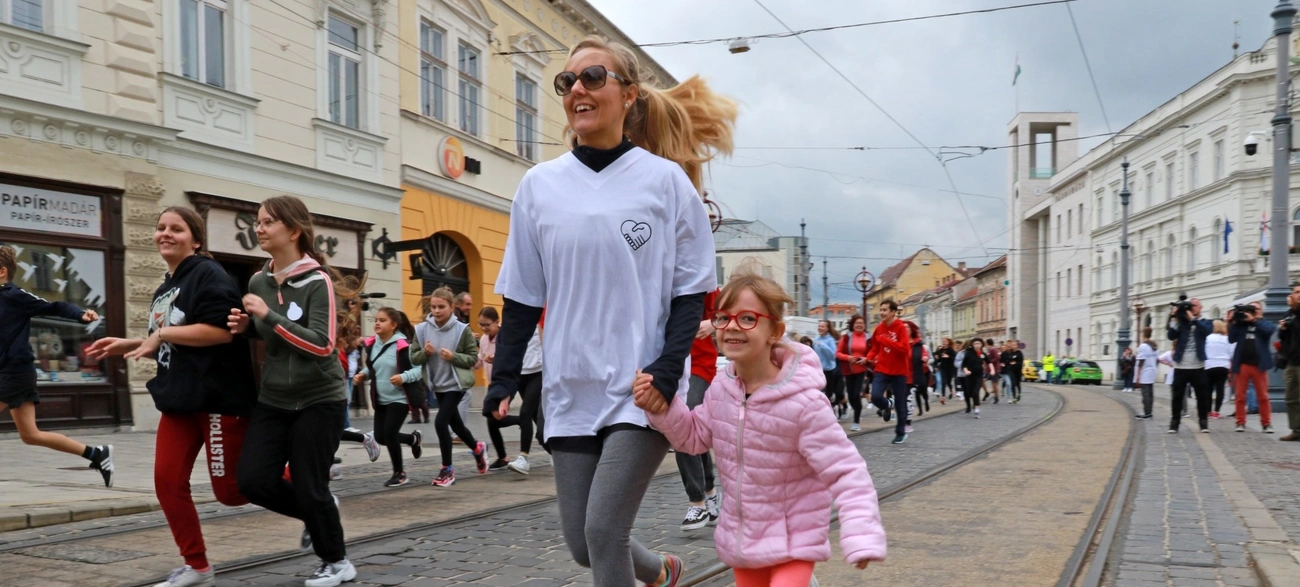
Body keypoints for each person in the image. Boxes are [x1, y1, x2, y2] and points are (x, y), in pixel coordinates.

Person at [483, 33, 736, 587]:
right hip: (570, 388)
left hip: (641, 389)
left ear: (629, 94)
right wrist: (502, 379)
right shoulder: (538, 186)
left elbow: (690, 293)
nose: (577, 89)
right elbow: (522, 297)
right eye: (567, 81)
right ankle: (661, 571)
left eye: (593, 77)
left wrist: (667, 370)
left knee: (602, 531)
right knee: (583, 544)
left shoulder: (666, 182)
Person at [635, 272, 886, 587]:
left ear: (775, 332)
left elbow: (846, 471)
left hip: (795, 541)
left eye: (748, 318)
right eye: (723, 318)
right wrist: (662, 405)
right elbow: (693, 437)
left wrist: (862, 532)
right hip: (745, 542)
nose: (732, 326)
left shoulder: (804, 403)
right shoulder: (722, 389)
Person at [85, 208, 254, 587]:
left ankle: (308, 487)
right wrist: (131, 343)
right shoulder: (166, 286)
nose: (165, 234)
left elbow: (221, 332)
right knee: (167, 482)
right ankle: (198, 567)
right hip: (179, 400)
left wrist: (159, 336)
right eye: (160, 227)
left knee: (231, 492)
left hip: (217, 400)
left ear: (196, 239)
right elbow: (176, 342)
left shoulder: (209, 275)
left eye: (176, 229)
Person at [226, 195, 355, 587]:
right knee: (252, 481)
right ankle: (320, 512)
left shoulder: (318, 282)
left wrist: (267, 316)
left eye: (268, 222)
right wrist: (247, 328)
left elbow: (322, 344)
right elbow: (270, 333)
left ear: (294, 230)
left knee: (309, 484)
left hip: (319, 398)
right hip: (275, 398)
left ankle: (337, 562)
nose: (259, 228)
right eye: (258, 222)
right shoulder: (258, 280)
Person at [0, 245, 111, 485]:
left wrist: (80, 314)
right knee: (30, 435)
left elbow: (55, 306)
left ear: (2, 272)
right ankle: (97, 454)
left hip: (14, 372)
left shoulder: (13, 295)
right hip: (10, 373)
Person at [412, 287, 488, 487]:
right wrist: (425, 353)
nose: (437, 311)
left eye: (441, 307)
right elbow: (413, 357)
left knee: (440, 422)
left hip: (456, 384)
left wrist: (454, 357)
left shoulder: (462, 330)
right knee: (457, 425)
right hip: (437, 385)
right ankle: (478, 448)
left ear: (452, 307)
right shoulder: (422, 330)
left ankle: (447, 470)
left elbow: (472, 358)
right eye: (433, 307)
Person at [351, 308, 425, 487]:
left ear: (393, 325)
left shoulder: (404, 346)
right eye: (376, 320)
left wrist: (403, 377)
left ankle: (399, 473)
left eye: (382, 320)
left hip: (399, 398)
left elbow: (418, 370)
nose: (377, 323)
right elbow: (373, 367)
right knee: (380, 437)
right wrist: (363, 374)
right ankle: (413, 439)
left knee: (390, 433)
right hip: (381, 398)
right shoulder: (373, 344)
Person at [674, 289, 722, 531]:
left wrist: (713, 323)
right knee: (693, 431)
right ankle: (710, 493)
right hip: (670, 364)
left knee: (682, 423)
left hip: (698, 365)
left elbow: (729, 311)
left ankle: (697, 502)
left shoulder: (702, 281)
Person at [1167, 298, 1215, 433]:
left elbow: (1207, 331)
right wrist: (1174, 318)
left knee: (1202, 397)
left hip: (1198, 366)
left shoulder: (1205, 322)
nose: (1192, 308)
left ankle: (1203, 423)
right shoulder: (1181, 323)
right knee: (1177, 397)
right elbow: (1171, 336)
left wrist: (1193, 319)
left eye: (1194, 306)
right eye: (1190, 306)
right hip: (1181, 365)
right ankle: (1174, 424)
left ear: (1200, 307)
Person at [1228, 303, 1277, 433]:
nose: (1253, 311)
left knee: (1263, 396)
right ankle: (1240, 422)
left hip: (1259, 365)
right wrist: (1233, 321)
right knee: (1240, 396)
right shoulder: (1240, 324)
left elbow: (1269, 331)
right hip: (1242, 364)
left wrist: (1255, 320)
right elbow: (1231, 339)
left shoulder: (1265, 323)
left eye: (1256, 309)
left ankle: (1266, 423)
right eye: (1251, 309)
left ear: (1261, 311)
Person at [867, 299, 910, 444]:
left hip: (899, 371)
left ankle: (900, 433)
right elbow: (875, 348)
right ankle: (887, 405)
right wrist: (868, 358)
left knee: (900, 404)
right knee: (875, 396)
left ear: (893, 312)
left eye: (885, 310)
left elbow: (905, 349)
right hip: (882, 369)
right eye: (881, 310)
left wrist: (885, 341)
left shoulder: (901, 327)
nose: (881, 313)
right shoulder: (879, 328)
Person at [836, 315, 871, 430]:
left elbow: (874, 353)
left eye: (861, 323)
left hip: (862, 370)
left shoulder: (869, 338)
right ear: (853, 325)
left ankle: (856, 422)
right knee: (851, 397)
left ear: (864, 325)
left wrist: (866, 359)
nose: (859, 325)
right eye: (857, 323)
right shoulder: (846, 337)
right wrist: (848, 358)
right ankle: (857, 412)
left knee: (857, 395)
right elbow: (838, 353)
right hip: (849, 370)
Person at [1278, 283, 1300, 441]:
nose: (1298, 294)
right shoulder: (1289, 314)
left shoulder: (1295, 313)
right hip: (1292, 361)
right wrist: (1282, 329)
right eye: (1296, 292)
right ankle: (1296, 430)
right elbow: (1283, 338)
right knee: (1291, 397)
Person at [1204, 320, 1233, 420]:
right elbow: (1231, 352)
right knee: (1220, 389)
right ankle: (1216, 411)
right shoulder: (1227, 339)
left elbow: (1203, 351)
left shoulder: (1208, 338)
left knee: (1208, 389)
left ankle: (1208, 411)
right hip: (1223, 365)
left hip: (1209, 365)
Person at [813, 320, 843, 411]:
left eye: (822, 326)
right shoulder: (816, 340)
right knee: (819, 391)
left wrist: (823, 346)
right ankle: (824, 409)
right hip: (819, 370)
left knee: (829, 392)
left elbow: (833, 355)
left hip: (830, 369)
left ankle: (833, 408)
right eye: (819, 326)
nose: (820, 328)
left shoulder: (830, 340)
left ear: (827, 329)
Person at [906, 322, 929, 434]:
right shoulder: (898, 343)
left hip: (913, 377)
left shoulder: (918, 344)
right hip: (899, 376)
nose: (905, 330)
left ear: (911, 330)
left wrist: (925, 358)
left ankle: (907, 423)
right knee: (900, 401)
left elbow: (925, 355)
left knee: (908, 400)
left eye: (907, 328)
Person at [1135, 329, 1158, 419]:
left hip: (1145, 371)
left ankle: (1146, 412)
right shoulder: (1154, 346)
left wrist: (1138, 374)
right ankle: (1149, 411)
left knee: (1145, 393)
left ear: (1143, 334)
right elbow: (1157, 360)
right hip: (1153, 370)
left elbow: (1141, 360)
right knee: (1150, 393)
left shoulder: (1143, 346)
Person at [961, 339, 985, 418]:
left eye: (979, 344)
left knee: (976, 392)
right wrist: (966, 370)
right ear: (972, 345)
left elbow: (989, 361)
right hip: (969, 376)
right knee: (970, 393)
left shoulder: (982, 353)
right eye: (975, 344)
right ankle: (973, 405)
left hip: (979, 376)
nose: (977, 345)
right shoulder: (968, 353)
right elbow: (963, 364)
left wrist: (992, 369)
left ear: (981, 345)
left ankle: (977, 410)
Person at [982, 338, 1001, 403]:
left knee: (994, 383)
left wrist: (990, 362)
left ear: (987, 343)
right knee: (982, 381)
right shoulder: (988, 349)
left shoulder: (993, 349)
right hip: (988, 369)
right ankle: (986, 392)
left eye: (985, 343)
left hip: (994, 369)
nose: (985, 344)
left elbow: (997, 357)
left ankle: (996, 397)